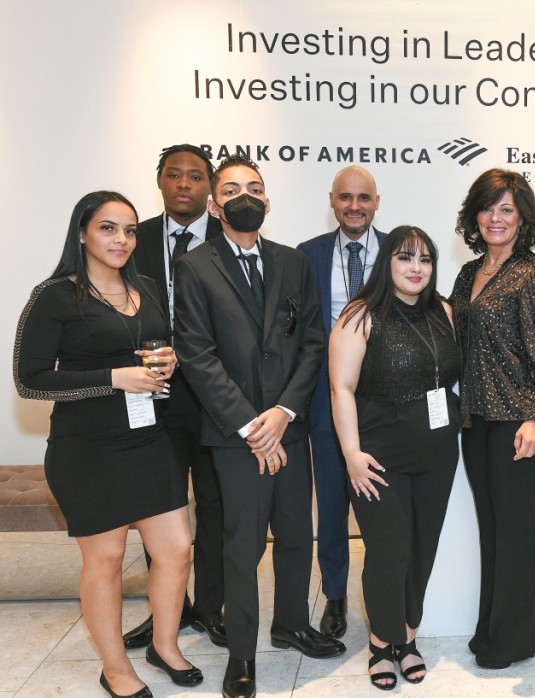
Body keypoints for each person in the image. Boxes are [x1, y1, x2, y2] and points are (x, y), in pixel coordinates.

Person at [15, 191, 201, 697]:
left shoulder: (144, 288)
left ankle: (165, 645)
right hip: (88, 450)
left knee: (178, 549)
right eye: (108, 228)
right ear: (82, 233)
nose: (122, 239)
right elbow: (29, 381)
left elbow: (160, 348)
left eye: (130, 230)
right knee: (106, 560)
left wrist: (169, 361)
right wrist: (113, 378)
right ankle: (115, 668)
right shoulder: (54, 295)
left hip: (151, 440)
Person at [173, 155, 342, 698]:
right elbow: (196, 355)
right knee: (242, 546)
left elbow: (313, 341)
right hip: (234, 436)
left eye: (255, 187)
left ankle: (291, 623)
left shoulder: (292, 262)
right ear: (215, 203)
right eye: (231, 189)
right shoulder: (195, 266)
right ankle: (242, 653)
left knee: (296, 535)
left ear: (267, 200)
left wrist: (283, 413)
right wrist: (251, 424)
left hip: (288, 428)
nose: (244, 195)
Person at [330, 226, 462, 689]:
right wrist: (351, 453)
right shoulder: (360, 315)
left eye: (425, 260)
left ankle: (408, 635)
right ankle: (381, 644)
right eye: (406, 258)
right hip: (378, 454)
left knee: (422, 546)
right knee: (390, 550)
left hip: (438, 451)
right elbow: (341, 389)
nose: (416, 268)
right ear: (387, 262)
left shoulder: (444, 310)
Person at [450, 168, 535, 669]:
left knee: (514, 526)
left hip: (519, 418)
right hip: (476, 418)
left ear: (522, 218)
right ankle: (491, 628)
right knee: (492, 525)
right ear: (475, 214)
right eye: (488, 208)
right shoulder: (467, 272)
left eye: (507, 209)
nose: (496, 218)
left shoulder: (534, 275)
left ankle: (516, 639)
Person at [123, 143, 227, 650]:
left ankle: (211, 607)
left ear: (209, 187)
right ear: (160, 181)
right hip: (152, 394)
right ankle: (169, 608)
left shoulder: (233, 238)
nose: (184, 183)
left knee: (215, 504)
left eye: (195, 176)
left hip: (213, 395)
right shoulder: (131, 239)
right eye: (174, 175)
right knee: (158, 505)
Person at [298, 165, 388, 640]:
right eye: (346, 198)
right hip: (326, 402)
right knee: (331, 506)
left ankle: (384, 595)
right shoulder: (305, 256)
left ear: (377, 202)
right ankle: (335, 596)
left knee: (383, 509)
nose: (355, 206)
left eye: (364, 198)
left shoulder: (399, 251)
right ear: (331, 201)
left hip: (385, 403)